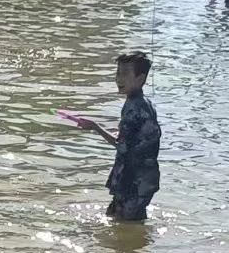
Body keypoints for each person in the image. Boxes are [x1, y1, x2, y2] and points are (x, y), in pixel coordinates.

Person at [67, 50, 162, 223]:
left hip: (134, 180)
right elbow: (139, 137)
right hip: (143, 178)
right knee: (121, 223)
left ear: (140, 79)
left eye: (125, 74)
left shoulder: (133, 108)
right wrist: (120, 131)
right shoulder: (144, 103)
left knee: (125, 223)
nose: (119, 79)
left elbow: (122, 146)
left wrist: (95, 127)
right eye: (117, 73)